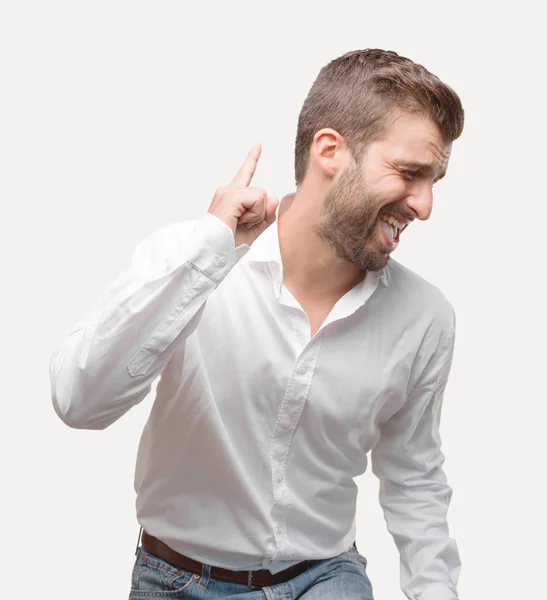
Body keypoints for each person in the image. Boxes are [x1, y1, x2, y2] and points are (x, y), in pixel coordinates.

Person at [50, 48, 464, 600]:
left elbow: (415, 477)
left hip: (326, 577)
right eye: (410, 173)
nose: (426, 205)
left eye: (434, 180)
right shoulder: (191, 260)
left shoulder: (424, 317)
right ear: (330, 151)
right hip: (178, 581)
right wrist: (205, 257)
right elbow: (79, 401)